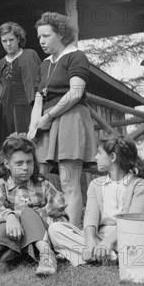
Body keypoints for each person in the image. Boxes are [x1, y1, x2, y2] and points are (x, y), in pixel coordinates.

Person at [28, 12, 97, 228]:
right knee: (35, 178)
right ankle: (38, 231)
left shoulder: (76, 56)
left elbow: (76, 93)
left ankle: (72, 234)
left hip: (70, 120)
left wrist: (49, 116)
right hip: (46, 124)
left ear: (61, 35)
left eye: (46, 36)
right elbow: (38, 99)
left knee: (69, 183)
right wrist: (32, 128)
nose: (41, 41)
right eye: (39, 36)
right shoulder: (44, 65)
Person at [0, 134, 66, 278]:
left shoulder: (42, 184)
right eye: (19, 163)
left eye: (29, 162)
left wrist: (33, 214)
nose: (25, 168)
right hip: (11, 244)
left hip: (38, 242)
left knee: (27, 214)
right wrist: (10, 216)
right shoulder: (0, 185)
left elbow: (59, 204)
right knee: (5, 222)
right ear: (7, 164)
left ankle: (47, 257)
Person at [49, 135, 144, 266]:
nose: (95, 157)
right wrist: (89, 241)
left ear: (113, 157)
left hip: (126, 236)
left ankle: (98, 256)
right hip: (99, 237)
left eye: (99, 153)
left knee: (140, 241)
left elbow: (132, 221)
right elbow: (90, 217)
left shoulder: (140, 185)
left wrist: (108, 242)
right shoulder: (95, 184)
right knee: (55, 228)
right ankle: (110, 257)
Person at [0, 22, 41, 156]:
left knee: (26, 144)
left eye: (11, 40)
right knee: (6, 146)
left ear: (18, 39)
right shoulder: (2, 62)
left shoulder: (30, 54)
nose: (8, 44)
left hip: (26, 106)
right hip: (5, 109)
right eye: (4, 41)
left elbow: (37, 83)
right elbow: (0, 87)